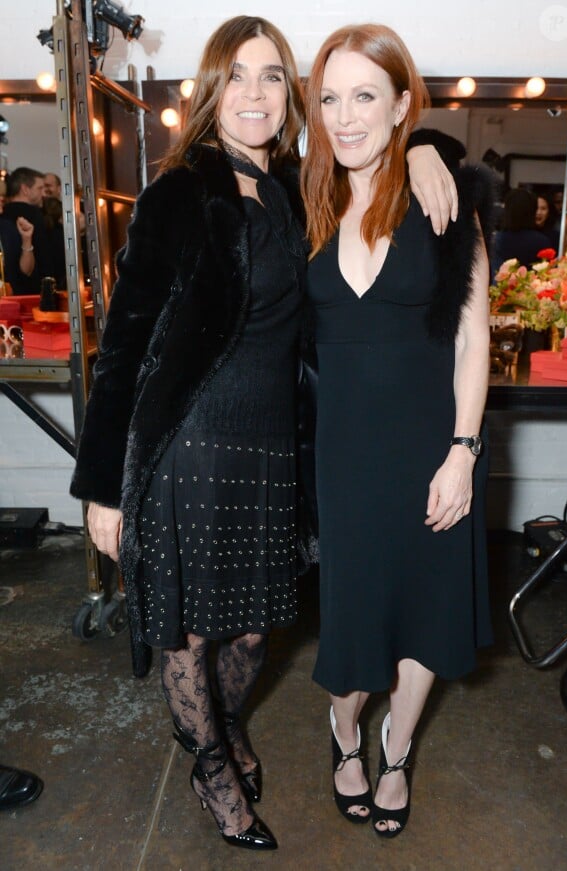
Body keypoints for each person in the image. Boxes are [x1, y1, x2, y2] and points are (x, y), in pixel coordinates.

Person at [69, 15, 457, 851]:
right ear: (212, 92)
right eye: (238, 76)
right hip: (193, 446)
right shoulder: (180, 191)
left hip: (274, 446)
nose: (256, 93)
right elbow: (127, 342)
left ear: (292, 99)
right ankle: (210, 761)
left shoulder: (296, 190)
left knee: (252, 626)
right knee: (194, 629)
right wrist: (103, 483)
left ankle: (223, 724)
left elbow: (385, 180)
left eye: (273, 77)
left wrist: (431, 146)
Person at [301, 24, 494, 838]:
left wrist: (464, 451)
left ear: (402, 104)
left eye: (366, 96)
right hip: (341, 459)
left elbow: (473, 336)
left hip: (431, 450)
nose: (346, 117)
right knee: (354, 626)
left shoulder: (446, 201)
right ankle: (344, 725)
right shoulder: (298, 203)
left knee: (427, 615)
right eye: (331, 98)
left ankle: (396, 744)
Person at [2, 167, 54, 293]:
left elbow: (24, 270)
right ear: (25, 189)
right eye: (40, 188)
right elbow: (45, 258)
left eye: (3, 195)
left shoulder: (7, 224)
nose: (44, 193)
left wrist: (27, 240)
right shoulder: (35, 214)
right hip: (32, 293)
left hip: (16, 295)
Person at [490, 188, 551, 275]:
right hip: (533, 286)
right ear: (532, 211)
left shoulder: (496, 240)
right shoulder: (542, 241)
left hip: (500, 287)